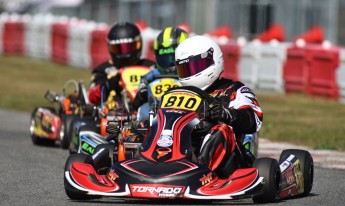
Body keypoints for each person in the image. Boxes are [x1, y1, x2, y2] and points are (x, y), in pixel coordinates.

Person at [174, 35, 263, 177]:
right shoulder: (177, 94)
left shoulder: (234, 90)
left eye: (194, 67)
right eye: (185, 69)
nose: (190, 73)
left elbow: (254, 119)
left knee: (222, 129)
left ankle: (200, 172)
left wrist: (228, 115)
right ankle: (152, 166)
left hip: (228, 160)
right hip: (186, 149)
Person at [87, 22, 155, 107]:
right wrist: (107, 84)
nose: (125, 53)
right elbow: (90, 97)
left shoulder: (150, 67)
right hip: (116, 114)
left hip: (149, 110)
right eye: (119, 48)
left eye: (129, 47)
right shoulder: (103, 70)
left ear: (139, 44)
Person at [133, 26, 189, 122]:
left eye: (174, 56)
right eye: (165, 57)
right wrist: (142, 92)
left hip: (185, 110)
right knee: (144, 109)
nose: (171, 61)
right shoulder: (152, 75)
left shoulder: (190, 72)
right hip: (156, 112)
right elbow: (138, 97)